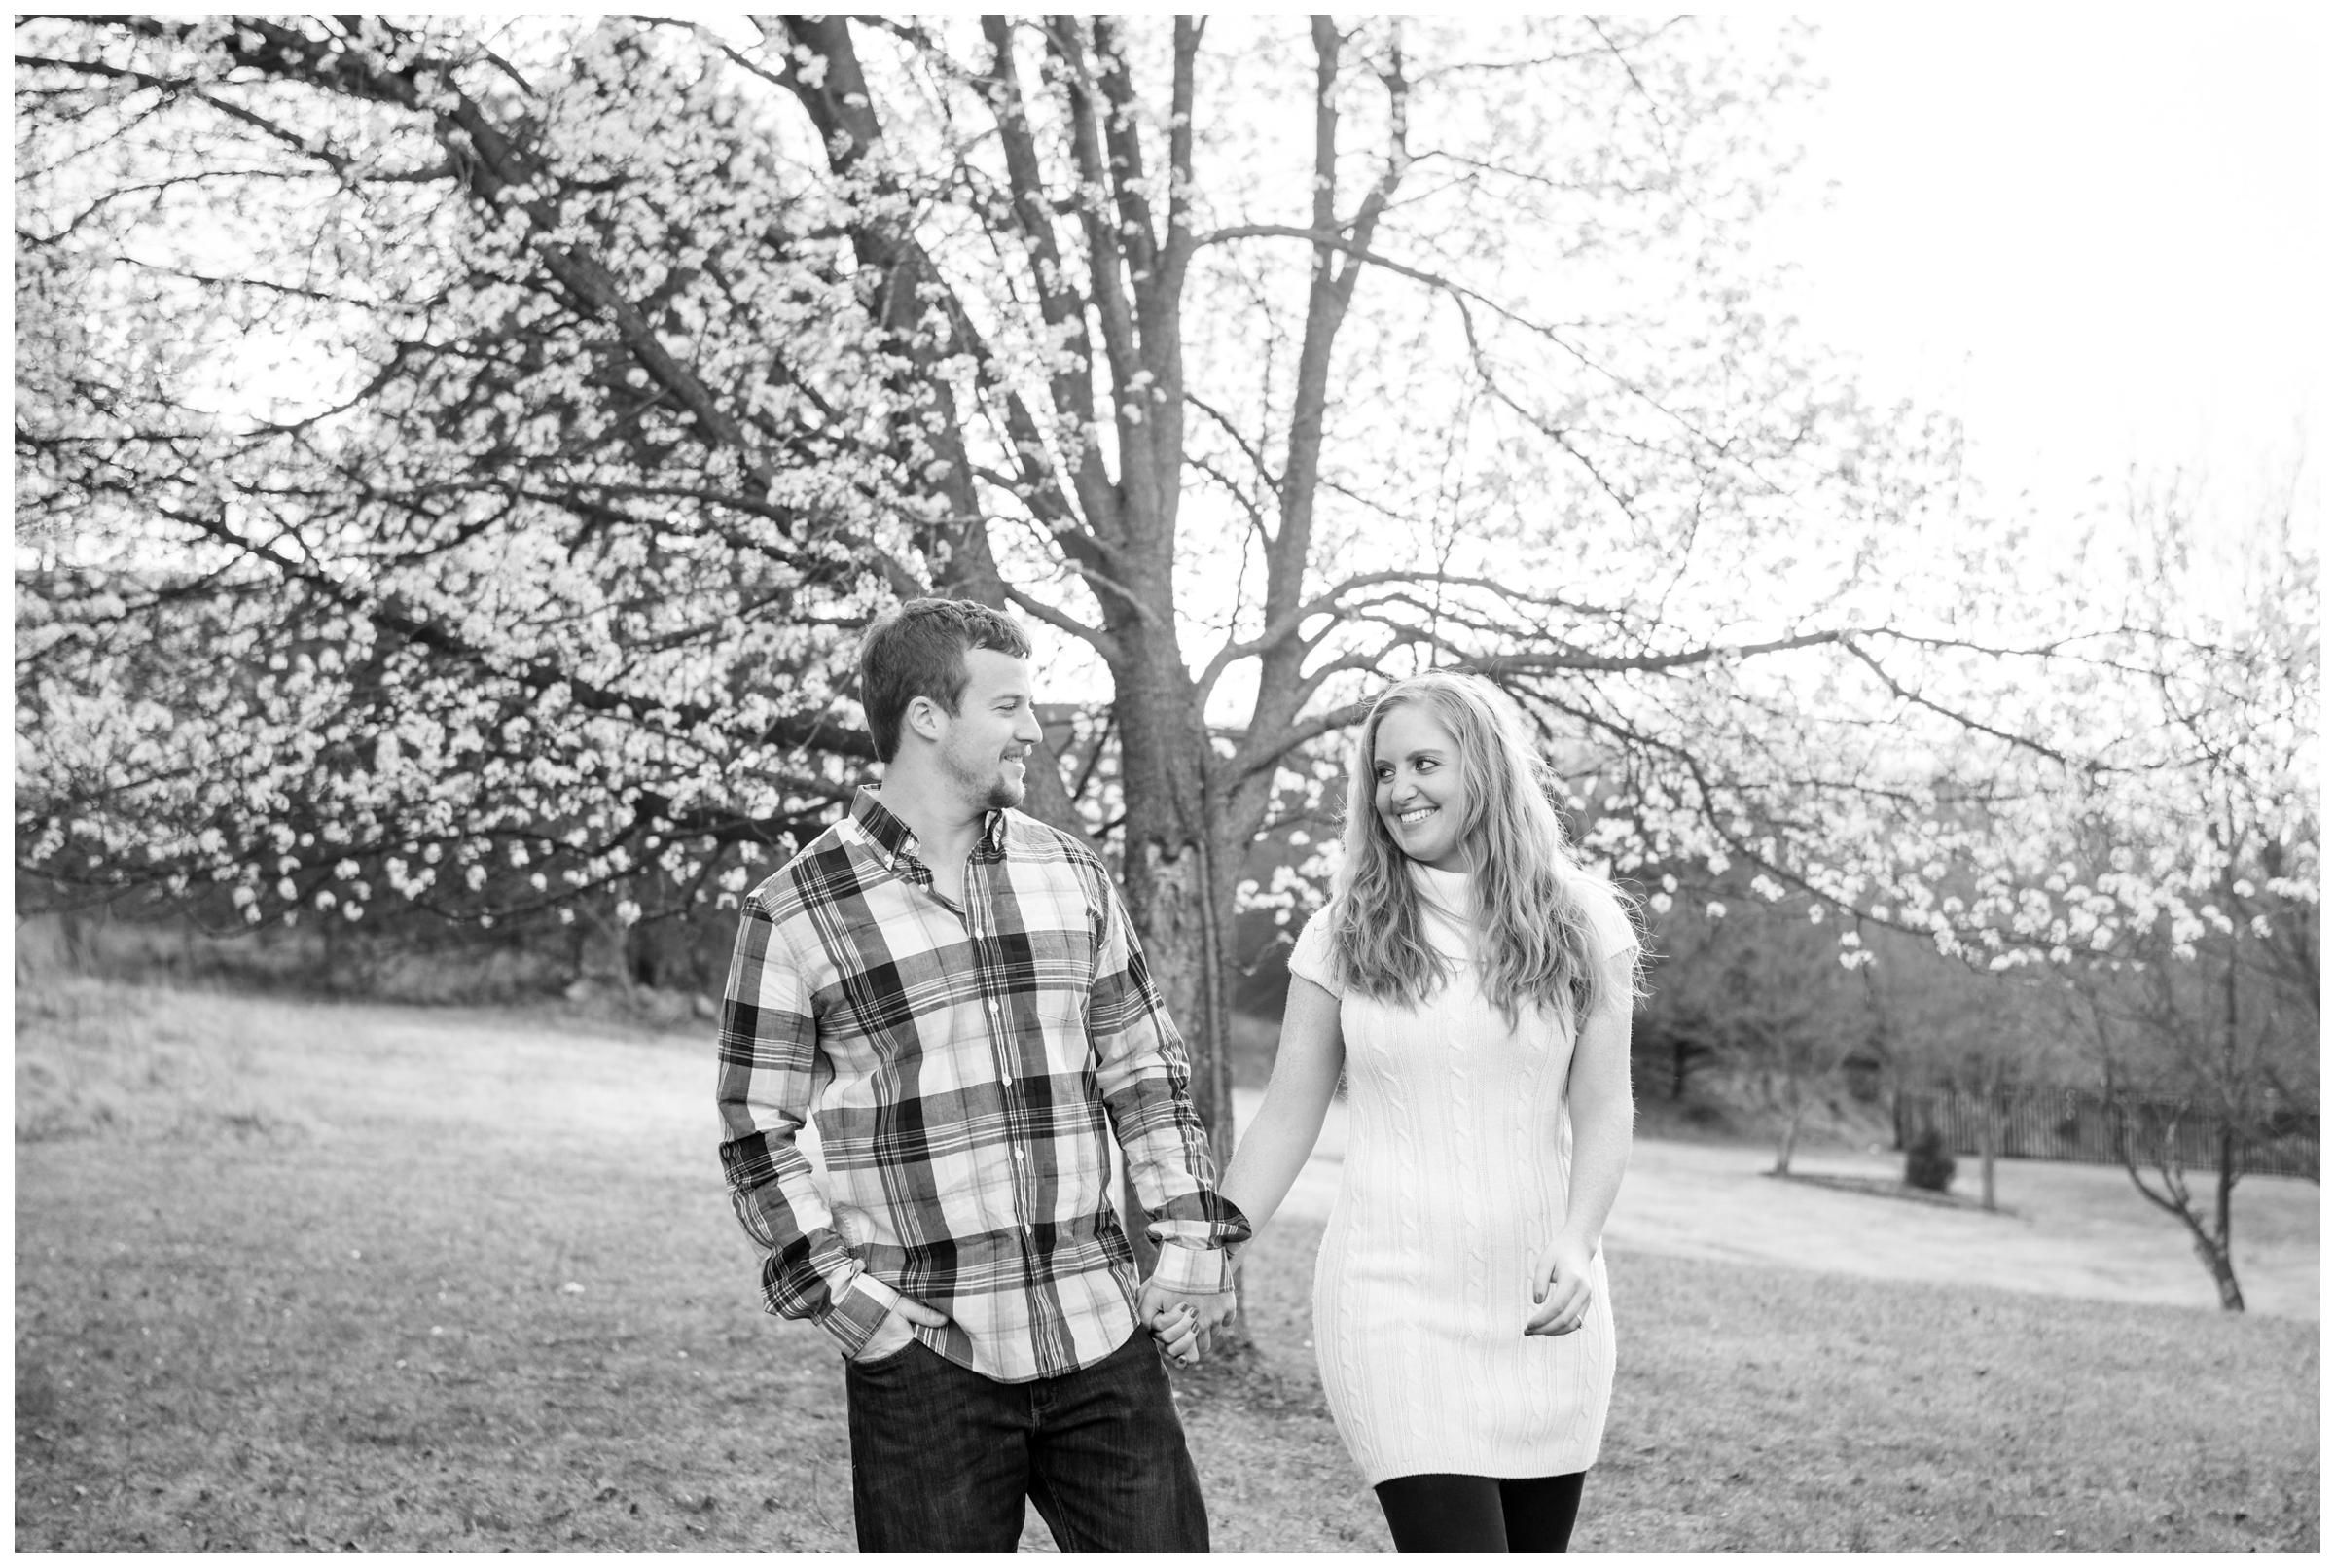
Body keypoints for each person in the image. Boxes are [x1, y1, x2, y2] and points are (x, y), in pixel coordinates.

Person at [715, 596, 1244, 1552]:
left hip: (1100, 1338)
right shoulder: (794, 910)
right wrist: (842, 1298)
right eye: (1007, 706)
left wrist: (1192, 1244)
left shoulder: (1069, 873)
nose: (1033, 729)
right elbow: (756, 1125)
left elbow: (1144, 1066)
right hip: (926, 1360)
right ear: (927, 717)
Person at [1200, 670, 1641, 1552]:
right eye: (1385, 771)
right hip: (1391, 1299)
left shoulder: (1582, 920)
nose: (1401, 790)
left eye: (1424, 763)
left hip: (1542, 1305)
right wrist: (1211, 1247)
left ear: (1483, 767)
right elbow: (1289, 1113)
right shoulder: (1344, 928)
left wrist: (1576, 1241)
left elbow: (1603, 1107)